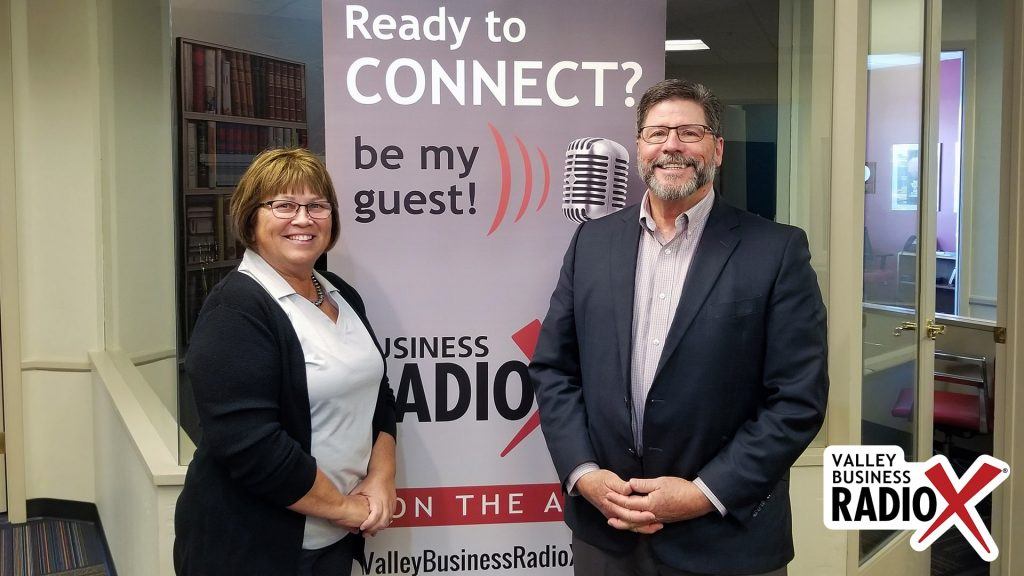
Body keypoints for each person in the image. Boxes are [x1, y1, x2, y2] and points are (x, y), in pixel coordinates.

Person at [530, 79, 828, 576]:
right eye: (657, 133)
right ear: (639, 147)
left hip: (725, 539)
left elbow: (798, 399)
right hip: (609, 534)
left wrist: (702, 493)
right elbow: (555, 370)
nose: (672, 145)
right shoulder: (592, 243)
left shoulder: (775, 252)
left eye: (690, 132)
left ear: (717, 148)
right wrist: (583, 475)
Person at [174, 148, 397, 576]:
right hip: (250, 548)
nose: (303, 218)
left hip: (332, 540)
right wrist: (346, 508)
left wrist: (381, 478)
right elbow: (251, 444)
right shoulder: (234, 309)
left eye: (317, 205)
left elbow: (380, 396)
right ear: (251, 220)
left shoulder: (341, 294)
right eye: (283, 205)